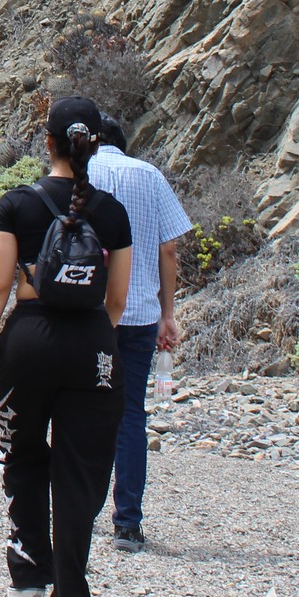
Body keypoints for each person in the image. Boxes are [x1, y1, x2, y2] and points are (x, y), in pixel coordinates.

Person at [0, 97, 134, 597]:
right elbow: (117, 301)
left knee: (24, 458)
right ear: (95, 144)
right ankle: (73, 593)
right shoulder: (113, 212)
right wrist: (92, 334)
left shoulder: (18, 203)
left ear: (47, 140)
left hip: (28, 343)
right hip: (92, 345)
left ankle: (28, 582)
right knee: (81, 472)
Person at [87, 114, 191, 554]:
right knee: (130, 414)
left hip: (88, 313)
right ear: (124, 143)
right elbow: (169, 247)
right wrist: (169, 312)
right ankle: (128, 523)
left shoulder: (81, 171)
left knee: (84, 410)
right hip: (141, 313)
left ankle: (80, 510)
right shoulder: (149, 175)